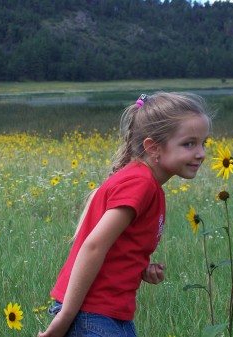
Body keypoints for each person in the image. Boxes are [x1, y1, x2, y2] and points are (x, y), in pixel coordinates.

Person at [38, 92, 212, 337]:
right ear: (153, 148)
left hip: (106, 315)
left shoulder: (147, 184)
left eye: (204, 143)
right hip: (91, 315)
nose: (201, 153)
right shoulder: (139, 184)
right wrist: (65, 317)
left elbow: (116, 250)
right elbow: (93, 247)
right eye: (189, 144)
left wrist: (140, 268)